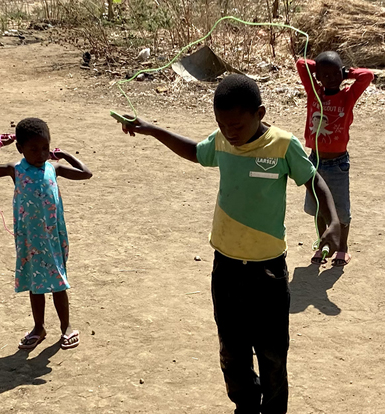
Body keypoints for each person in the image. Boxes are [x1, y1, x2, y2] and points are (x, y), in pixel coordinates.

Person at [118, 74, 343, 413]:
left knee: (271, 353)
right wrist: (151, 129)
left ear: (260, 113)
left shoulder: (282, 145)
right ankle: (246, 405)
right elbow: (196, 151)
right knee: (232, 351)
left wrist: (334, 221)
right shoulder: (222, 142)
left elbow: (315, 182)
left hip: (267, 272)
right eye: (221, 124)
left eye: (237, 125)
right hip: (225, 267)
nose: (229, 133)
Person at [0, 118, 93, 350]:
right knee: (35, 283)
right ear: (20, 148)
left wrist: (65, 154)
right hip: (29, 239)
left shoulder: (54, 168)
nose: (41, 155)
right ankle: (38, 327)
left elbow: (86, 173)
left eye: (45, 148)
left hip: (53, 237)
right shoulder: (15, 170)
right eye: (34, 149)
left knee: (59, 282)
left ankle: (66, 327)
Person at [296, 51, 373, 266]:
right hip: (315, 162)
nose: (330, 78)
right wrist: (319, 69)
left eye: (335, 74)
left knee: (341, 209)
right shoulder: (314, 93)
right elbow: (301, 63)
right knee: (319, 207)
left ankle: (343, 247)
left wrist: (346, 72)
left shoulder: (348, 95)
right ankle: (323, 245)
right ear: (318, 76)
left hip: (338, 164)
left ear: (342, 74)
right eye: (324, 75)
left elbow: (367, 75)